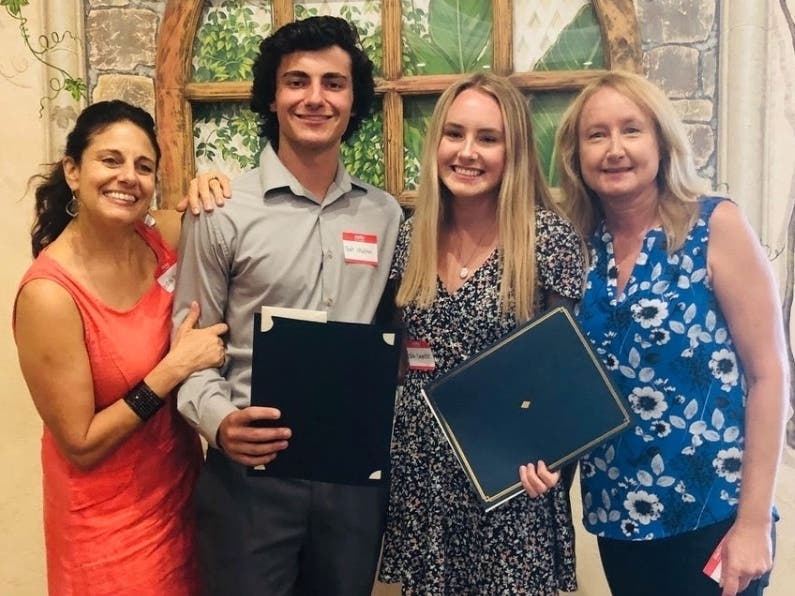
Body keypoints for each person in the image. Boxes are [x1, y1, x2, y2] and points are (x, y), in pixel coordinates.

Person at [172, 16, 403, 596]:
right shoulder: (221, 210)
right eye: (296, 81)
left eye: (334, 83)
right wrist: (219, 422)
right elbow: (187, 345)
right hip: (250, 479)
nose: (315, 98)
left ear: (355, 100)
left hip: (352, 481)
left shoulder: (386, 216)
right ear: (272, 98)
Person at [555, 70, 788, 596]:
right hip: (619, 519)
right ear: (576, 155)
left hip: (714, 516)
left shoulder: (714, 226)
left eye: (631, 130)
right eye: (596, 135)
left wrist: (753, 524)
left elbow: (769, 374)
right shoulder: (577, 250)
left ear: (661, 141)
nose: (614, 149)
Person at [377, 71, 585, 594]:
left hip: (510, 485)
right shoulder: (411, 237)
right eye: (454, 134)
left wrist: (555, 458)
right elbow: (401, 355)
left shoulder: (547, 239)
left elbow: (568, 378)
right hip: (425, 483)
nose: (467, 152)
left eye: (488, 139)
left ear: (513, 150)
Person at [12, 100, 228, 595]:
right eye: (111, 160)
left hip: (184, 502)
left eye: (143, 166)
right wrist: (172, 369)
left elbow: (214, 222)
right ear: (73, 170)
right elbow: (81, 444)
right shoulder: (50, 294)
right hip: (106, 533)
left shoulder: (160, 238)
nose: (128, 176)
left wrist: (210, 186)